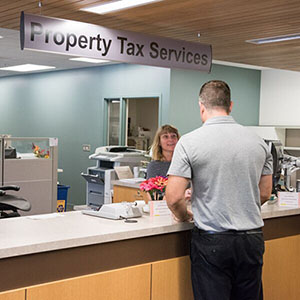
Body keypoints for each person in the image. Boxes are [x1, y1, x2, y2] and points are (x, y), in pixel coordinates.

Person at [166, 80, 273, 300]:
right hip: (251, 239)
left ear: (201, 106)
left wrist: (185, 215)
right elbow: (264, 193)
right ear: (230, 105)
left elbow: (174, 197)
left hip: (212, 240)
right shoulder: (260, 143)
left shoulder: (189, 142)